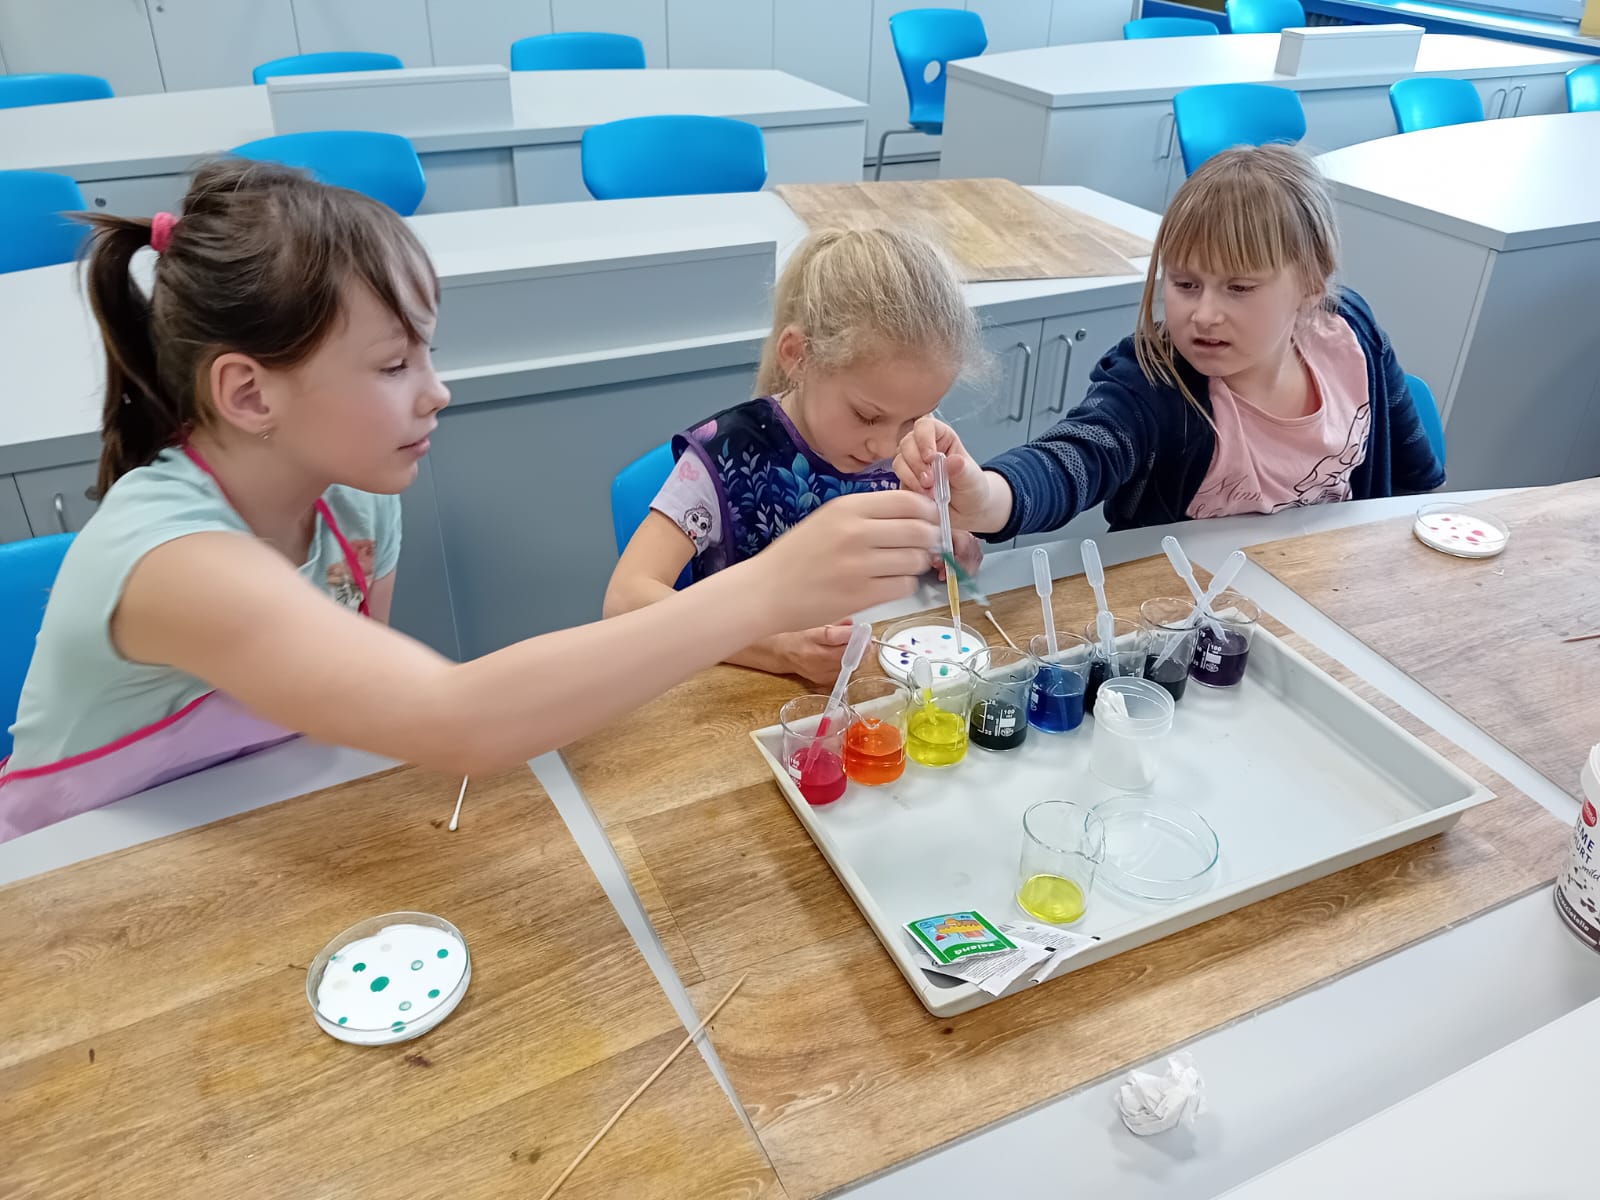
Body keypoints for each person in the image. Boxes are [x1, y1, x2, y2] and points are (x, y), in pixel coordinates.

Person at [0, 162, 940, 841]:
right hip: (62, 890)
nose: (436, 392)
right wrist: (766, 591)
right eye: (393, 365)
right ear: (249, 393)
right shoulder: (173, 561)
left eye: (429, 354)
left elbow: (347, 733)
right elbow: (455, 720)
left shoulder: (358, 508)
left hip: (246, 835)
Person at [893, 144, 1444, 540]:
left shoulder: (1352, 335)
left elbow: (1414, 481)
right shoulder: (1153, 383)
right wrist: (985, 494)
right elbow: (1071, 460)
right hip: (1184, 623)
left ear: (1310, 285)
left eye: (1239, 288)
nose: (1204, 314)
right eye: (1185, 284)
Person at [605, 226, 983, 684]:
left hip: (868, 683)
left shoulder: (910, 445)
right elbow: (624, 601)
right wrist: (776, 648)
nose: (886, 447)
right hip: (740, 694)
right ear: (797, 356)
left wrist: (944, 545)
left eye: (917, 417)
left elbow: (903, 561)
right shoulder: (729, 455)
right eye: (867, 416)